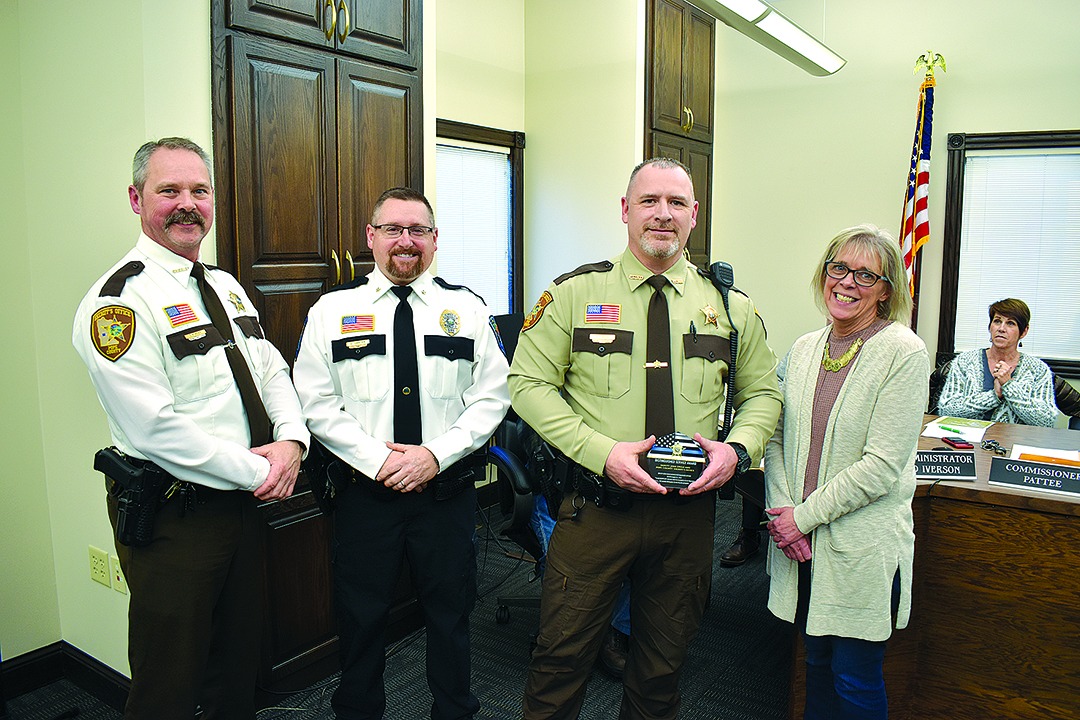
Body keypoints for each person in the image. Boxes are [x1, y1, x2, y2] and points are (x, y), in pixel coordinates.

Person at [510, 157, 782, 719]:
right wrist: (602, 453)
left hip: (687, 517)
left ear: (694, 214)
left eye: (676, 203)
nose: (663, 214)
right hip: (596, 510)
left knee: (662, 668)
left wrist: (737, 451)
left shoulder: (730, 308)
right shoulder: (573, 294)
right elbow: (528, 386)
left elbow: (763, 394)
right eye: (649, 201)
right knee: (560, 661)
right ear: (625, 210)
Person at [72, 137, 309, 720]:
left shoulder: (225, 285)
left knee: (237, 664)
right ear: (137, 200)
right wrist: (263, 471)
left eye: (199, 191)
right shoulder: (117, 304)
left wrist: (291, 439)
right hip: (175, 518)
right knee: (168, 682)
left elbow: (269, 367)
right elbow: (155, 428)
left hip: (241, 505)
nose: (187, 204)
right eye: (169, 191)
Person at [293, 187, 510, 720]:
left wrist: (434, 455)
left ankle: (454, 711)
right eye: (392, 229)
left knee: (451, 615)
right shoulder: (332, 311)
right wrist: (379, 460)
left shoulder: (467, 309)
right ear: (371, 237)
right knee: (360, 618)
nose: (405, 241)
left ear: (435, 239)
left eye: (418, 230)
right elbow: (315, 403)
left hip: (445, 495)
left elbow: (493, 397)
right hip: (365, 497)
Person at [764, 224, 930, 720]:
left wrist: (801, 519)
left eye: (865, 275)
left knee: (855, 678)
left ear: (886, 290)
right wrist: (783, 513)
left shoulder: (903, 352)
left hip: (860, 549)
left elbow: (881, 467)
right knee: (814, 664)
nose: (847, 282)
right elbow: (775, 435)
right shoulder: (804, 348)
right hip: (801, 543)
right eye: (839, 267)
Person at [936, 298, 1057, 427]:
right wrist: (994, 396)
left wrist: (1009, 386)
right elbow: (946, 410)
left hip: (1014, 439)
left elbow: (1046, 421)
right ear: (990, 327)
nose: (1001, 328)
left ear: (1024, 331)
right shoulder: (965, 362)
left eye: (1010, 323)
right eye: (997, 321)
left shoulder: (1038, 369)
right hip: (968, 437)